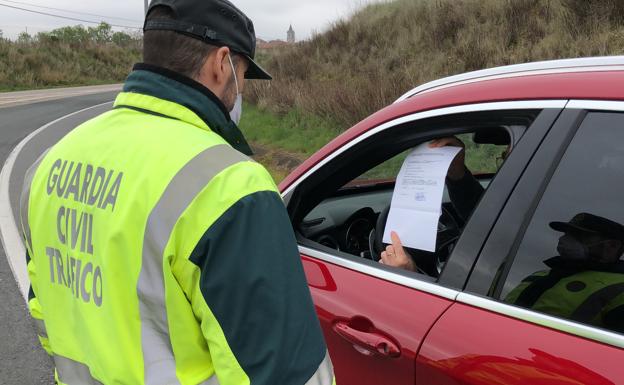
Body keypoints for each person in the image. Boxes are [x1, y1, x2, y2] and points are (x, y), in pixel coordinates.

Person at [19, 1, 335, 384]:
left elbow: (44, 306)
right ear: (222, 64)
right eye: (244, 74)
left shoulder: (49, 164)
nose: (241, 93)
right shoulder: (231, 186)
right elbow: (288, 374)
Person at [505, 213, 624, 333]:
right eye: (567, 234)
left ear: (612, 246)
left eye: (579, 235)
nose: (564, 239)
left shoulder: (619, 289)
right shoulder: (540, 275)